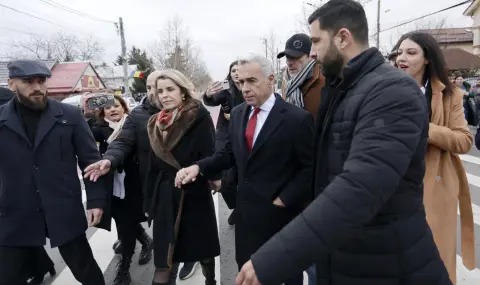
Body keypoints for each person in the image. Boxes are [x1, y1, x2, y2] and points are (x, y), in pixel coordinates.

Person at [235, 1, 453, 285]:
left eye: (316, 41)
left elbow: (359, 188)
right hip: (343, 256)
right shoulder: (342, 87)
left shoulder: (392, 91)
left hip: (388, 265)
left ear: (343, 37)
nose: (311, 52)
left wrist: (275, 257)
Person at [176, 54, 314, 285]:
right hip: (247, 216)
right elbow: (228, 154)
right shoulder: (239, 114)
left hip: (283, 218)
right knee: (247, 273)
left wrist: (283, 199)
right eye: (240, 83)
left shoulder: (297, 119)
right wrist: (198, 168)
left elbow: (309, 168)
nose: (245, 88)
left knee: (288, 275)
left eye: (252, 81)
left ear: (271, 79)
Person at [0, 59, 107, 285]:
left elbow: (91, 161)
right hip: (15, 212)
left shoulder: (70, 115)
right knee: (8, 276)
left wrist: (96, 200)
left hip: (63, 208)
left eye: (41, 81)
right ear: (11, 84)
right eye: (28, 81)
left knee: (85, 269)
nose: (37, 87)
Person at [83, 71, 199, 279]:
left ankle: (194, 258)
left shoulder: (192, 113)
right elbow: (123, 142)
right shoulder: (138, 116)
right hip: (155, 187)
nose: (156, 92)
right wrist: (109, 159)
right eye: (150, 87)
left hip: (187, 187)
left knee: (188, 233)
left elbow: (207, 149)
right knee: (164, 255)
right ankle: (150, 264)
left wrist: (209, 173)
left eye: (163, 87)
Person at [395, 31, 475, 284]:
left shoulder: (451, 94)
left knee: (435, 258)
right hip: (394, 184)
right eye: (399, 52)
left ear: (427, 58)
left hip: (436, 186)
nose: (401, 58)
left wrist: (424, 128)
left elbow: (464, 140)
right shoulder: (385, 90)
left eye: (410, 52)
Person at [90, 94, 151, 285]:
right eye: (108, 108)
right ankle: (146, 241)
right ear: (102, 112)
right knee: (123, 220)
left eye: (117, 106)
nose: (113, 109)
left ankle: (124, 269)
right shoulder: (99, 130)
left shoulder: (133, 125)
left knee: (126, 224)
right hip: (112, 186)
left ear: (125, 107)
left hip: (134, 185)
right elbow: (82, 136)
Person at [203, 61, 245, 225]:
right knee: (225, 174)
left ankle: (241, 207)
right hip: (225, 135)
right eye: (233, 70)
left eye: (238, 70)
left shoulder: (249, 88)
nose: (236, 73)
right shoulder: (226, 90)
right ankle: (235, 205)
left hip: (244, 134)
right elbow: (211, 101)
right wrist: (208, 94)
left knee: (241, 171)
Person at [278, 33, 324, 118]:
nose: (290, 63)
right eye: (288, 57)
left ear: (310, 56)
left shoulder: (324, 80)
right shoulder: (287, 83)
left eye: (296, 57)